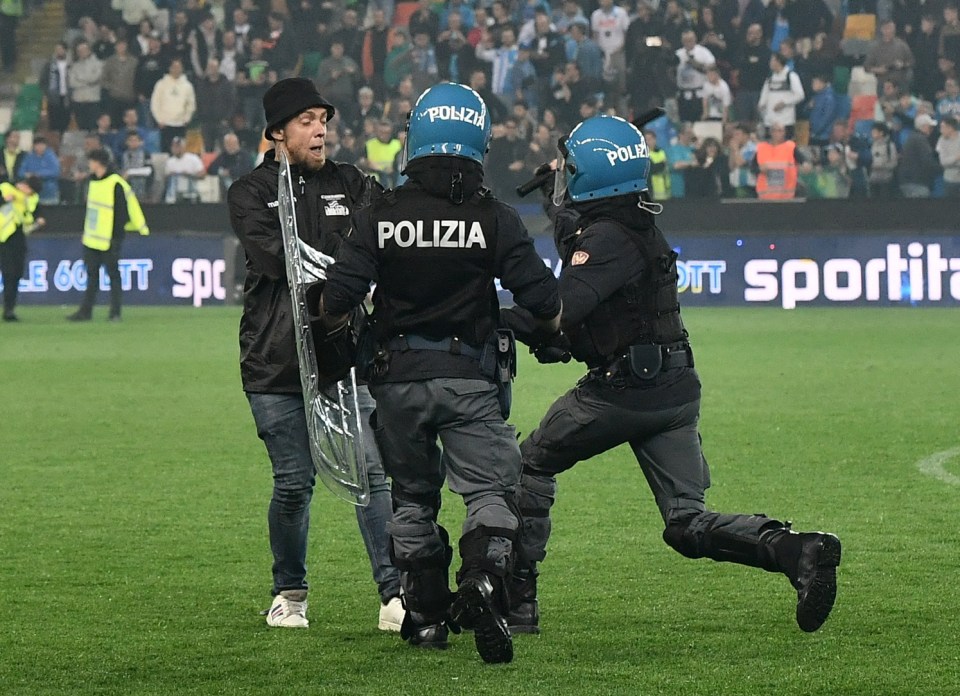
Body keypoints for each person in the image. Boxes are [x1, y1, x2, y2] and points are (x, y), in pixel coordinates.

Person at [507, 113, 842, 638]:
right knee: (686, 524)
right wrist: (560, 206)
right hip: (674, 392)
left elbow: (558, 309)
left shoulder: (608, 238)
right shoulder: (637, 225)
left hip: (621, 393)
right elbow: (595, 288)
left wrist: (491, 318)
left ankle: (516, 601)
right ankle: (796, 550)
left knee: (528, 466)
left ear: (591, 175)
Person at [317, 82, 562, 663]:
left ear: (415, 138)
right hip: (471, 379)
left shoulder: (381, 212)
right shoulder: (494, 218)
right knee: (489, 492)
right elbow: (546, 303)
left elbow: (338, 300)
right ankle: (481, 581)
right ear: (479, 142)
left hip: (396, 381)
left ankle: (425, 617)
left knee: (411, 499)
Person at [226, 77, 404, 632]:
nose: (320, 128)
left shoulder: (353, 183)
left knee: (372, 475)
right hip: (274, 360)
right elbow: (282, 262)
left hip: (346, 355)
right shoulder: (250, 193)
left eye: (323, 118)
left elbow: (387, 241)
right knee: (293, 483)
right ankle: (290, 592)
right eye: (306, 120)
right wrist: (354, 268)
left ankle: (394, 596)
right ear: (277, 132)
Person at [67, 148, 150, 322]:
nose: (89, 165)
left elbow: (121, 214)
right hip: (92, 238)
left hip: (110, 238)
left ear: (98, 162)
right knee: (92, 277)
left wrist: (115, 237)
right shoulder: (92, 182)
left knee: (113, 276)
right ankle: (85, 312)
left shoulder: (115, 183)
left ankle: (115, 312)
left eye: (91, 161)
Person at [0, 176, 44, 322]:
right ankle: (8, 309)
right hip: (4, 238)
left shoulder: (32, 199)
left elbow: (32, 215)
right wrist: (4, 200)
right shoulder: (5, 188)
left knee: (16, 275)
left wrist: (38, 221)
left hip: (19, 239)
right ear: (24, 185)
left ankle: (9, 310)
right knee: (8, 274)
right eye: (28, 190)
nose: (28, 193)